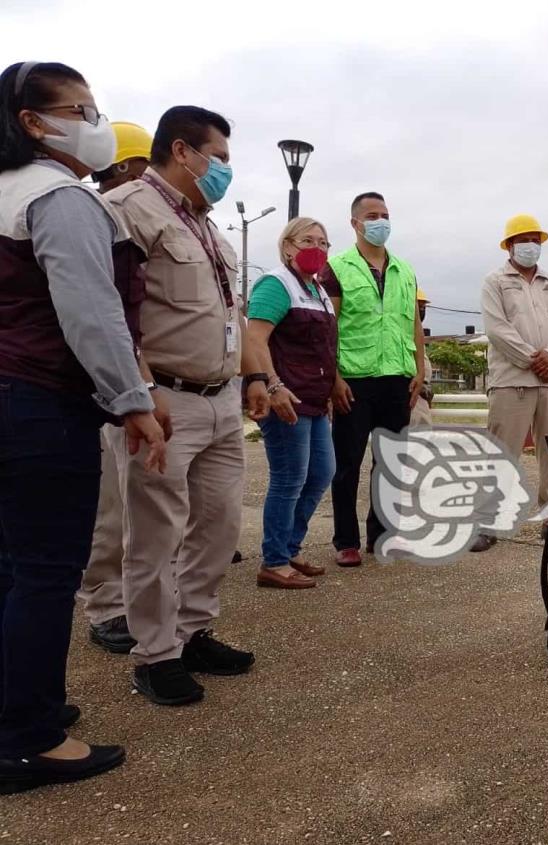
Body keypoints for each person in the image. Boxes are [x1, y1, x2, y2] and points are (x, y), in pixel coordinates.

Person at [0, 60, 166, 793]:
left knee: (9, 568)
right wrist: (131, 399)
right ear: (33, 123)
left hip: (8, 394)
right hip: (40, 402)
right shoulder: (58, 195)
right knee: (43, 572)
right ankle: (28, 738)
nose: (95, 122)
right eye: (81, 108)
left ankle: (18, 706)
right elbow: (90, 312)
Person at [107, 105, 263, 706]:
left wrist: (253, 378)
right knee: (154, 534)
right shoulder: (128, 211)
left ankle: (193, 629)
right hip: (166, 397)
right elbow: (114, 310)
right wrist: (140, 390)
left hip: (221, 399)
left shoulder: (207, 224)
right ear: (181, 151)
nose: (224, 170)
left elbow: (231, 315)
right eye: (218, 158)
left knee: (219, 526)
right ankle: (155, 654)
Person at [79, 119, 155, 654]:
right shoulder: (108, 215)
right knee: (112, 505)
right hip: (115, 383)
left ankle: (137, 598)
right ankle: (106, 604)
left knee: (141, 503)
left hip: (144, 378)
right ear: (128, 167)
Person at [318, 192, 425, 567]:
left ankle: (382, 534)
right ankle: (345, 540)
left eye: (385, 214)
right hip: (354, 379)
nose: (380, 221)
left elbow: (413, 323)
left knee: (390, 462)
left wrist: (420, 370)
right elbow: (327, 328)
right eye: (372, 215)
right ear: (355, 223)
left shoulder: (405, 270)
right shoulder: (336, 268)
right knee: (347, 463)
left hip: (397, 378)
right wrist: (333, 378)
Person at [472, 214, 548, 551]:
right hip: (512, 378)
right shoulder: (495, 281)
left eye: (536, 239)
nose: (531, 245)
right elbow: (497, 329)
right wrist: (534, 359)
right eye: (524, 239)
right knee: (504, 450)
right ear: (510, 245)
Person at [244, 218, 337, 589]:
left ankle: (289, 546)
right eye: (307, 240)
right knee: (289, 479)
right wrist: (272, 384)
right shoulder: (276, 284)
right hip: (285, 398)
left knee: (320, 474)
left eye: (324, 241)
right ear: (287, 247)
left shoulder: (318, 291)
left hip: (313, 401)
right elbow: (255, 338)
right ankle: (274, 560)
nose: (317, 247)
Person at [409, 289, 435, 426]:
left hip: (420, 396)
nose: (421, 310)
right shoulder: (405, 334)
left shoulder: (418, 336)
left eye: (423, 307)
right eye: (419, 307)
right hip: (413, 396)